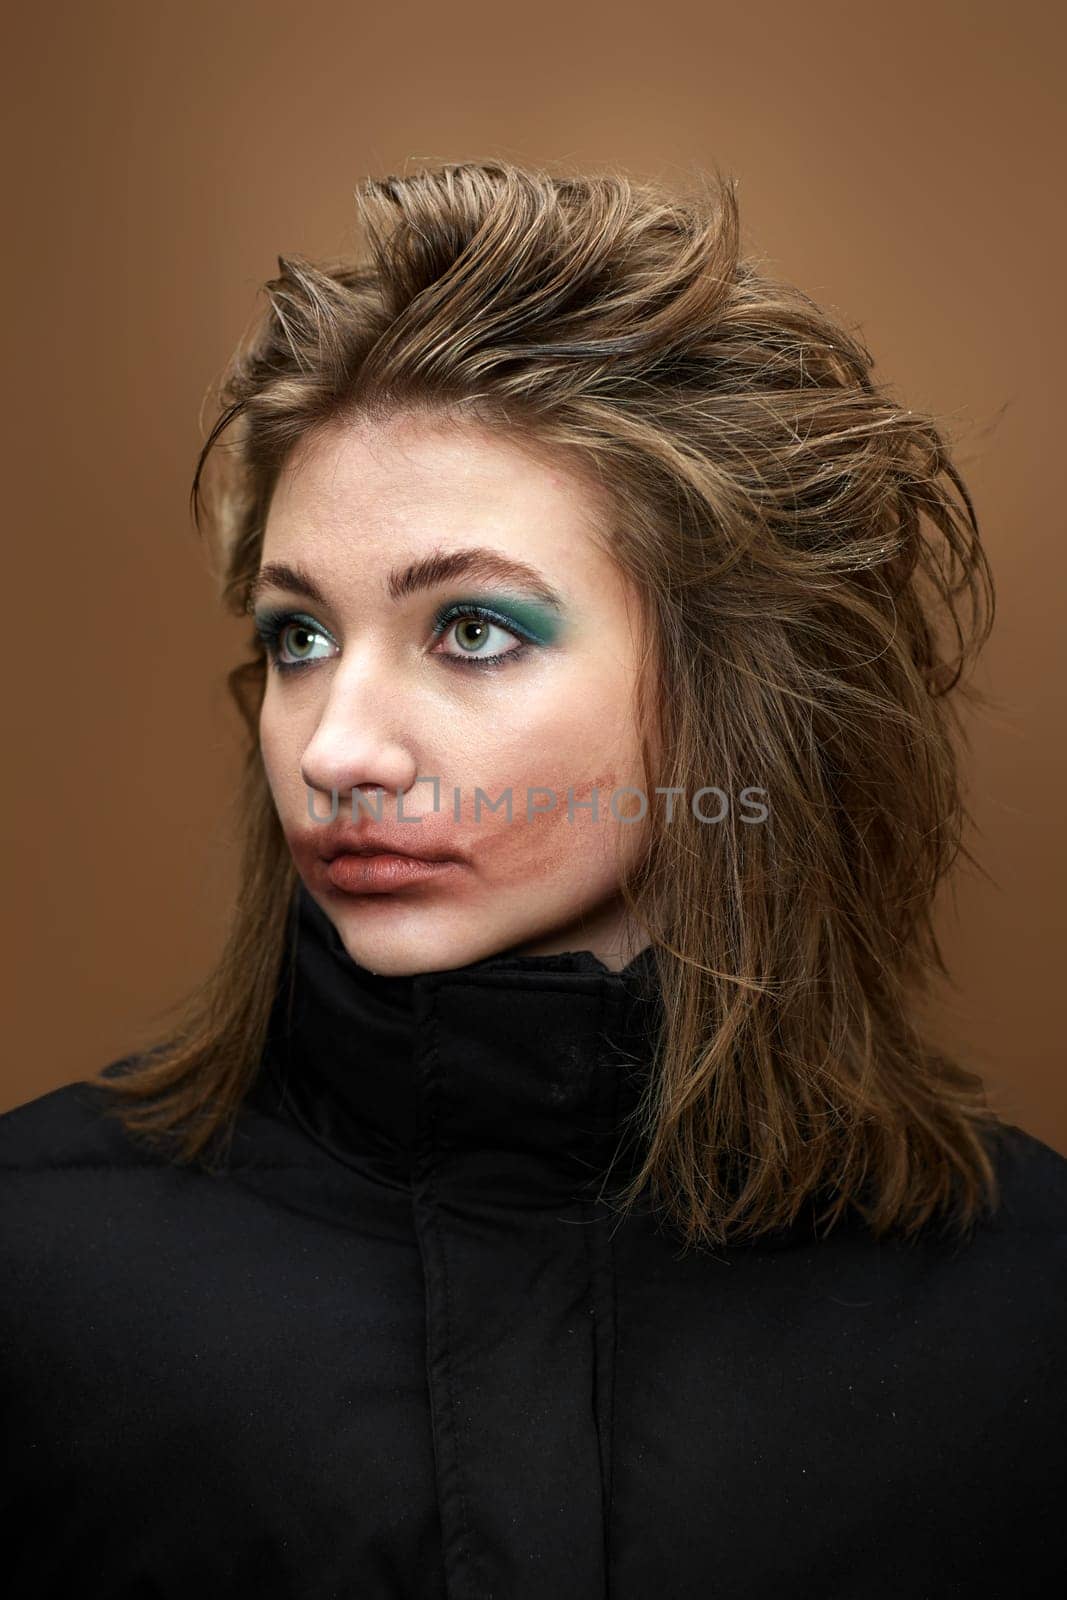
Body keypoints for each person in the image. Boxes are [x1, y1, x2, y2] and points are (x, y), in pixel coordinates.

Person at [2, 159, 1064, 1598]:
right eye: (299, 638)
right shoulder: (39, 1261)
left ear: (725, 687)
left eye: (474, 631)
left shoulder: (1026, 1307)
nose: (340, 748)